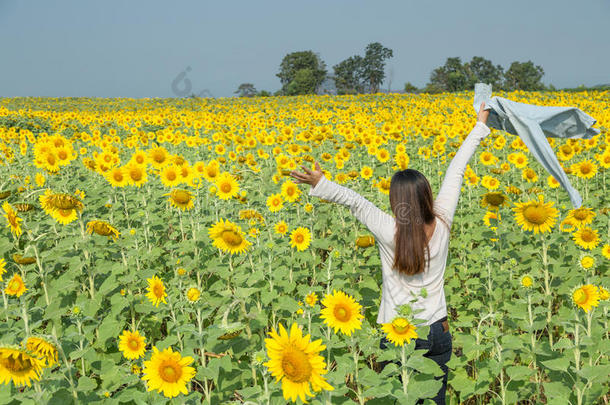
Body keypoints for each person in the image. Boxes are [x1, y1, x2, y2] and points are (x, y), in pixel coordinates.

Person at [289, 103, 491, 404]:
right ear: (427, 196)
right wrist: (479, 126)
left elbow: (355, 201)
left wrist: (321, 183)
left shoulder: (388, 230)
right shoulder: (443, 222)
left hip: (398, 331)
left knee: (399, 397)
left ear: (395, 200)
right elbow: (456, 172)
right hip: (437, 329)